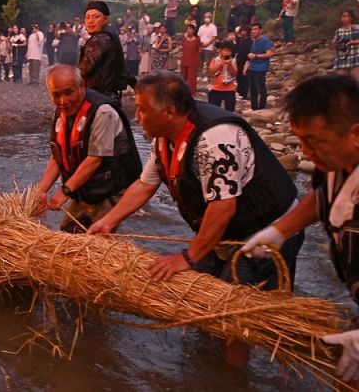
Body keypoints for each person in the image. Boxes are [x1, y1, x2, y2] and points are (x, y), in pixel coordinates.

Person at [89, 70, 304, 366]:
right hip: (228, 231)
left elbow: (223, 207)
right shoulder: (165, 138)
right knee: (207, 303)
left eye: (142, 109)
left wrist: (188, 257)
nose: (137, 116)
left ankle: (231, 379)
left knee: (236, 318)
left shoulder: (214, 139)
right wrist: (109, 221)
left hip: (268, 231)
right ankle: (209, 365)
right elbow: (145, 184)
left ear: (170, 111)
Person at [239, 75, 359, 383]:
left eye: (314, 141)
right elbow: (322, 198)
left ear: (355, 134)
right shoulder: (334, 165)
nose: (305, 152)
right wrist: (280, 231)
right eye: (300, 140)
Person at [34, 64, 142, 233]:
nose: (63, 101)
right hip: (85, 187)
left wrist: (66, 190)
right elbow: (58, 156)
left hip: (110, 189)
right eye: (56, 95)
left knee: (96, 241)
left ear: (82, 86)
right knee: (69, 234)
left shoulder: (102, 112)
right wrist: (40, 192)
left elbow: (94, 159)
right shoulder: (61, 113)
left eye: (69, 92)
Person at [78, 0, 128, 101]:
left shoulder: (100, 38)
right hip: (110, 97)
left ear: (106, 19)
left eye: (96, 17)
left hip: (99, 98)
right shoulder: (111, 35)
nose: (90, 21)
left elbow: (83, 70)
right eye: (87, 17)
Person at [243, 22, 273, 110]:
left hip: (261, 68)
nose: (253, 31)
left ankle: (262, 107)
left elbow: (269, 54)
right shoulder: (254, 41)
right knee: (252, 89)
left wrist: (256, 56)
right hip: (252, 67)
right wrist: (246, 66)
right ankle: (254, 107)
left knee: (261, 88)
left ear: (260, 30)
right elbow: (251, 54)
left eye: (256, 29)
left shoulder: (264, 40)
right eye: (252, 29)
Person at [208, 41, 238, 111]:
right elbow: (211, 72)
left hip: (229, 89)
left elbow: (235, 74)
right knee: (213, 110)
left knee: (230, 110)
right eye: (225, 50)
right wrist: (219, 65)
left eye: (229, 51)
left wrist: (230, 65)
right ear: (220, 50)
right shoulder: (215, 60)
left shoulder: (233, 61)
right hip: (216, 88)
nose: (227, 52)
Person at [334, 9, 359, 81]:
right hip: (342, 60)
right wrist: (338, 44)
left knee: (356, 82)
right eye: (342, 17)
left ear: (351, 18)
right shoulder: (338, 31)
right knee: (341, 84)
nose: (343, 19)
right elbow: (335, 45)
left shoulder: (357, 28)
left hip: (355, 59)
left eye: (346, 16)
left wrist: (352, 42)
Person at [179, 24, 201, 93]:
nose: (189, 31)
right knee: (183, 77)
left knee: (191, 78)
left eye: (191, 29)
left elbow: (199, 50)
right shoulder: (184, 39)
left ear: (194, 30)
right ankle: (182, 91)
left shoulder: (197, 40)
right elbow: (182, 48)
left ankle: (191, 92)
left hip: (193, 61)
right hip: (184, 60)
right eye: (188, 29)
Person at [234, 26, 251, 100]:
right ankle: (239, 92)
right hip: (239, 60)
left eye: (244, 31)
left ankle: (244, 94)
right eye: (241, 31)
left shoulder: (250, 41)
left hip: (245, 61)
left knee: (245, 78)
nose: (242, 32)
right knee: (239, 77)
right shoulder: (240, 40)